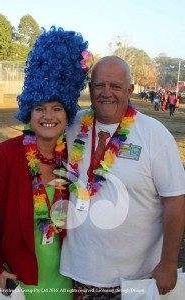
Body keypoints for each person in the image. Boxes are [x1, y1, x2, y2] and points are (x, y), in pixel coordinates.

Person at [60, 56, 185, 299]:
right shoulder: (72, 125)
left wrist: (169, 262)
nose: (107, 93)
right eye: (99, 85)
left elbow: (175, 199)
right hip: (76, 273)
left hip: (134, 279)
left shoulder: (153, 134)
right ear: (90, 88)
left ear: (129, 90)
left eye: (115, 86)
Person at [0, 26, 93, 299]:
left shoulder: (72, 157)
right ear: (28, 112)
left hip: (66, 280)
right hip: (21, 281)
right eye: (40, 108)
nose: (48, 116)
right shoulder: (6, 155)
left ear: (67, 113)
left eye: (57, 108)